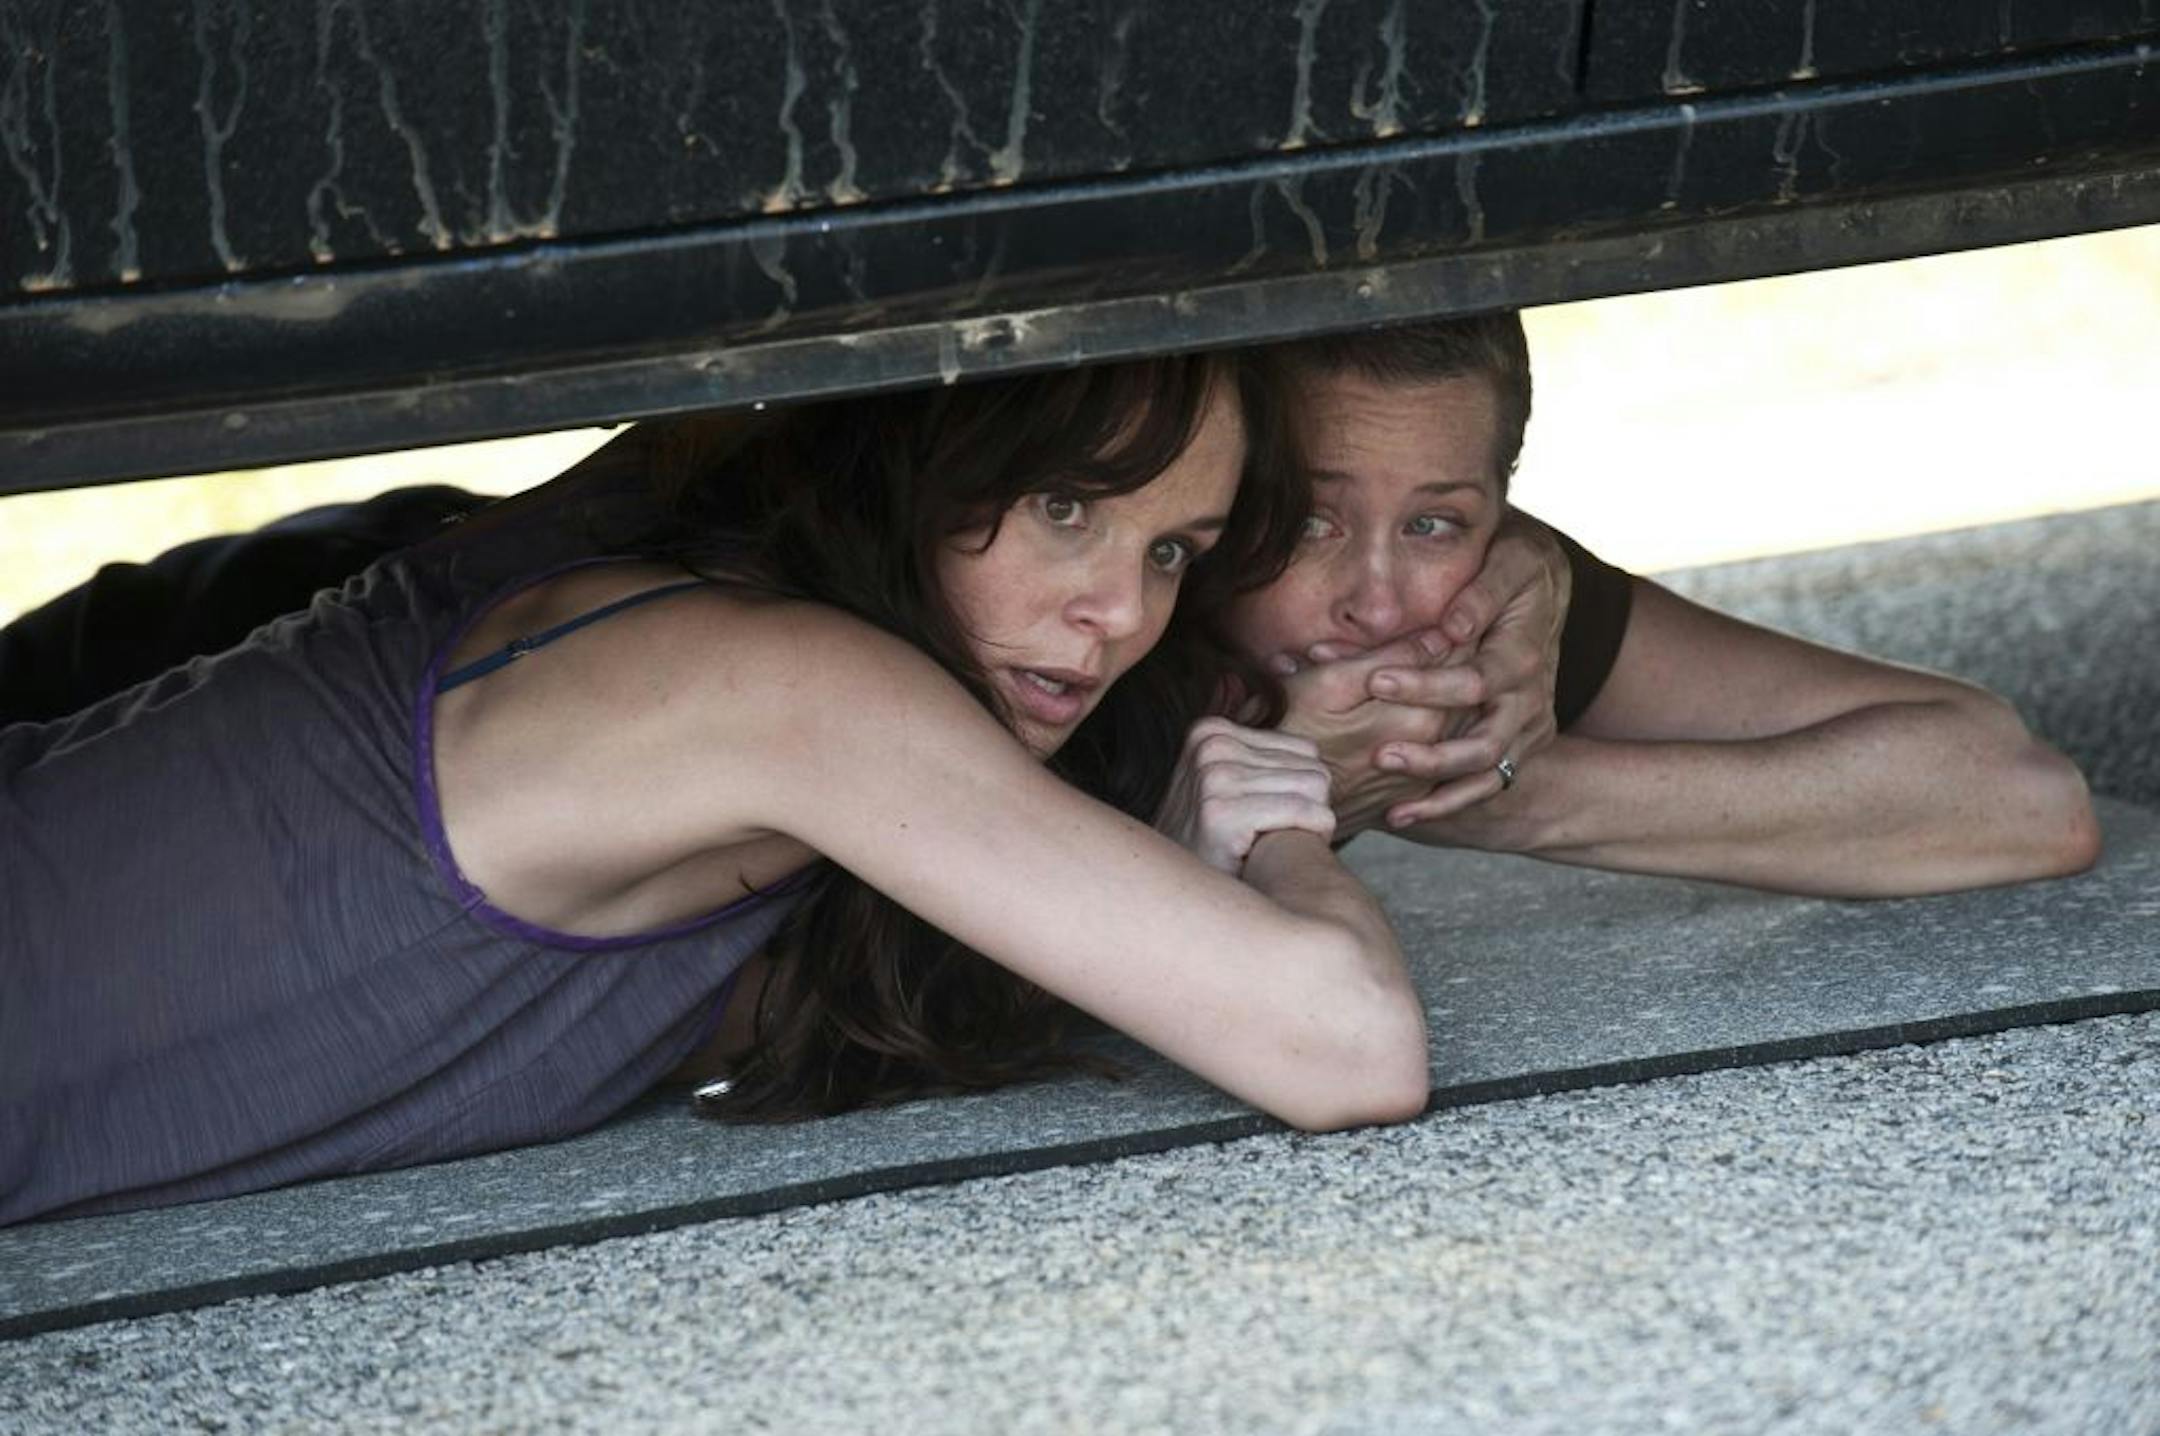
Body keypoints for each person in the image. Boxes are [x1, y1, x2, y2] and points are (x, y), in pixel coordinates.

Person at [1, 350, 1434, 1226]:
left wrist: (1158, 880)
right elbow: (1348, 1048)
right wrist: (1286, 836)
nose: (1117, 612)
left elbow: (800, 1013)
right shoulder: (772, 683)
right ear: (918, 463)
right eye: (1066, 509)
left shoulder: (741, 621)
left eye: (1172, 550)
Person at [1233, 314, 2101, 894]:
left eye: (1434, 523)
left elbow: (2021, 799)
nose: (1379, 608)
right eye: (1309, 521)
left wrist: (1515, 794)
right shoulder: (1104, 640)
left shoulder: (1490, 613)